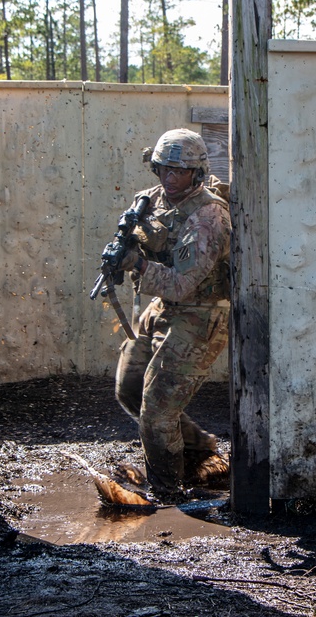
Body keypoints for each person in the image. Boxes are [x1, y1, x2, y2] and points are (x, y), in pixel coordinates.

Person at [112, 128, 231, 500]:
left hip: (200, 314)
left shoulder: (208, 216)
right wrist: (121, 251)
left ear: (196, 173)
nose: (170, 178)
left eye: (179, 172)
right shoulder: (153, 200)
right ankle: (201, 455)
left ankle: (167, 491)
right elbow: (137, 235)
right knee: (129, 387)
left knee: (157, 412)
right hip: (163, 306)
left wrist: (137, 264)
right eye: (164, 169)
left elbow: (183, 285)